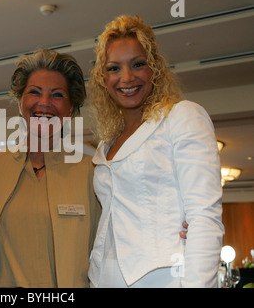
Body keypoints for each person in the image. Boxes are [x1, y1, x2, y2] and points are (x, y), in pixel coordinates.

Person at [87, 15, 224, 288]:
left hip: (164, 278)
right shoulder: (108, 143)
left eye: (137, 64)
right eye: (114, 68)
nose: (126, 78)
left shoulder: (182, 117)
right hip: (103, 279)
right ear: (103, 78)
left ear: (154, 69)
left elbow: (204, 217)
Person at [0, 48, 101, 287]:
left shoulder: (91, 172)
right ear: (20, 101)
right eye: (34, 92)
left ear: (71, 108)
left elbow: (109, 246)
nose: (44, 103)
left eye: (57, 95)